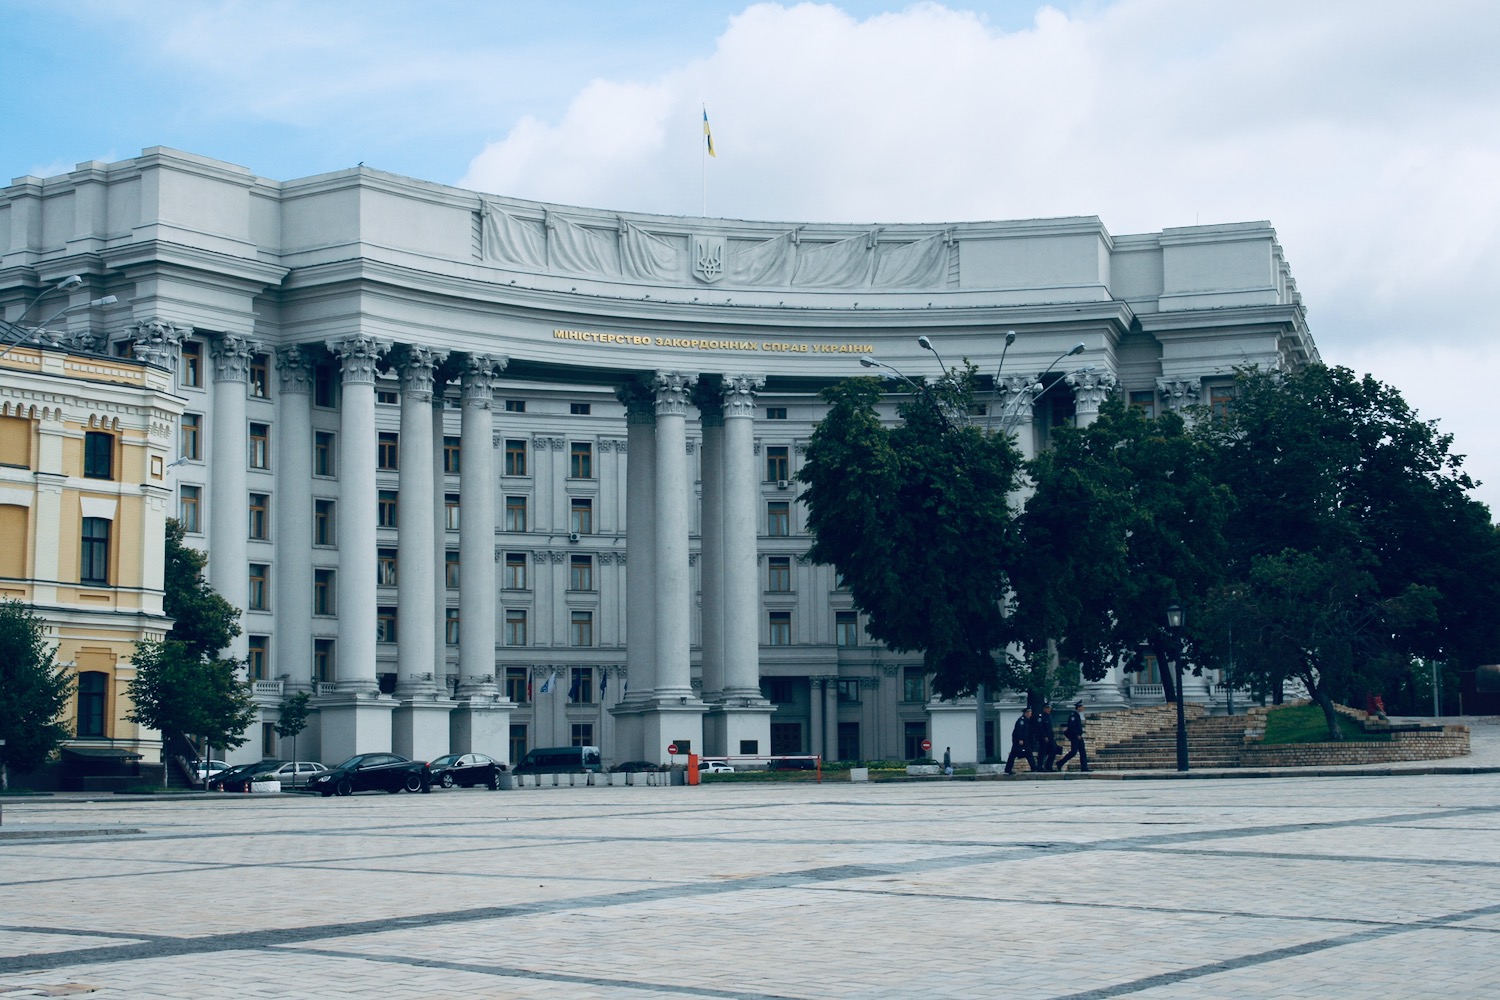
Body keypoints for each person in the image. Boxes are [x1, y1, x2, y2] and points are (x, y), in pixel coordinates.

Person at [1057, 699, 1089, 772]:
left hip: (1078, 736)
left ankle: (1084, 767)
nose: (1083, 708)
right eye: (1082, 707)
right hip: (1075, 736)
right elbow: (1072, 726)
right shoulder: (1073, 715)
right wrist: (1077, 734)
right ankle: (1060, 763)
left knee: (1082, 751)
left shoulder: (1077, 715)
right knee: (1073, 752)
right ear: (1078, 707)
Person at [1004, 708, 1038, 774]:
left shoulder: (1026, 720)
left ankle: (1034, 767)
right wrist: (1020, 739)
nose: (1030, 714)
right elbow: (1019, 730)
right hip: (1019, 741)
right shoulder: (1021, 720)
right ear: (1026, 713)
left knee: (1028, 753)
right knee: (1013, 755)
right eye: (1029, 713)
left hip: (1024, 740)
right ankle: (1008, 769)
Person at [1035, 704, 1060, 772]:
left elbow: (1050, 728)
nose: (1049, 710)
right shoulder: (1041, 717)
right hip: (1043, 737)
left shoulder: (1049, 716)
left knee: (1054, 749)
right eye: (1047, 708)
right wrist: (1044, 736)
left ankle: (1049, 765)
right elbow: (1040, 728)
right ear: (1044, 709)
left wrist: (1052, 736)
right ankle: (1039, 767)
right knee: (1042, 752)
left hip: (1050, 737)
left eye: (1050, 708)